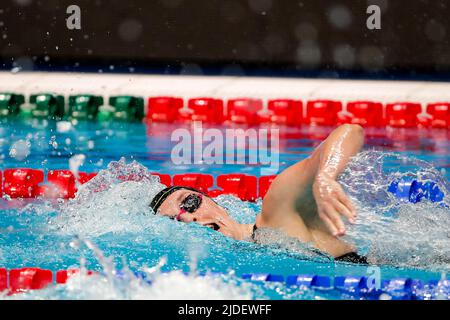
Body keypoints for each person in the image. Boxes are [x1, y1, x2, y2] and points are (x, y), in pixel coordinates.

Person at [149, 124, 367, 264]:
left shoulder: (277, 214)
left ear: (214, 201)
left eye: (189, 203)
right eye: (175, 221)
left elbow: (350, 132)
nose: (188, 217)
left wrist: (325, 177)